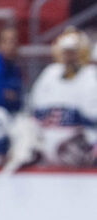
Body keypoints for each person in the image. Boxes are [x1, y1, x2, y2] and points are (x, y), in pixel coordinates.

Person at [27, 27, 97, 166]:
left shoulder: (91, 76)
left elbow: (92, 121)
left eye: (73, 53)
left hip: (79, 150)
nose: (69, 57)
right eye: (66, 52)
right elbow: (34, 111)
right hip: (47, 149)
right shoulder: (49, 73)